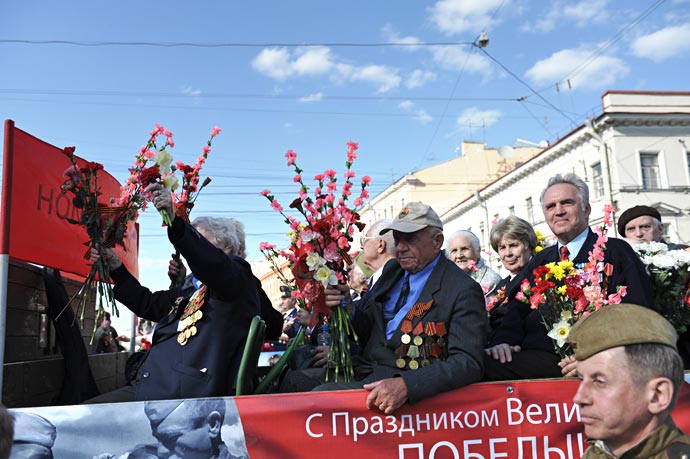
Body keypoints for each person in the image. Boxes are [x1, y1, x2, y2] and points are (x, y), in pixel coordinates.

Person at [285, 202, 487, 413]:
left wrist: (408, 385)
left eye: (410, 239)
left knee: (319, 400)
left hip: (401, 383)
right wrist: (349, 309)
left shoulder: (460, 289)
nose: (400, 247)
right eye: (398, 239)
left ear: (437, 242)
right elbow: (370, 329)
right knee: (293, 380)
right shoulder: (394, 271)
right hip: (366, 369)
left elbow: (468, 362)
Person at [85, 183, 261, 402]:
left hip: (180, 396)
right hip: (158, 383)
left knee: (84, 417)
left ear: (224, 246)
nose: (193, 249)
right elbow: (148, 303)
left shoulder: (237, 276)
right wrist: (117, 269)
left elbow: (212, 264)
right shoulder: (193, 288)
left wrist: (177, 225)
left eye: (200, 239)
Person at [485, 173, 654, 381]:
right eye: (550, 206)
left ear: (586, 209)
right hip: (541, 356)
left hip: (600, 358)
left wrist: (598, 356)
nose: (559, 212)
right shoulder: (540, 260)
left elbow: (639, 312)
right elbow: (515, 310)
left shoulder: (615, 251)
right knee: (477, 363)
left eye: (567, 203)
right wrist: (503, 342)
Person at [569, 303, 690, 458]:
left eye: (600, 382)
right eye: (581, 380)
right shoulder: (595, 454)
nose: (579, 398)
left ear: (657, 395)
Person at [93, 399, 246, 459]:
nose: (161, 451)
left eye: (172, 438)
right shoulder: (142, 454)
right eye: (159, 439)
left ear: (213, 424)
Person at [486, 216, 538, 336]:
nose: (508, 253)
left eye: (514, 245)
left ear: (529, 246)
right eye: (502, 248)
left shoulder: (537, 277)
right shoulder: (502, 284)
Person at [446, 230, 502, 297]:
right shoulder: (446, 281)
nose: (459, 255)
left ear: (477, 251)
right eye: (454, 250)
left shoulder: (491, 280)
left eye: (464, 249)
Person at [618, 205, 688, 249]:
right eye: (631, 229)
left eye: (645, 227)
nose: (638, 234)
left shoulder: (682, 253)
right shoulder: (617, 261)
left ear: (660, 229)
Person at [359, 218, 397, 288]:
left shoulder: (393, 280)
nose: (361, 246)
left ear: (380, 245)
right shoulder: (376, 279)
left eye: (365, 240)